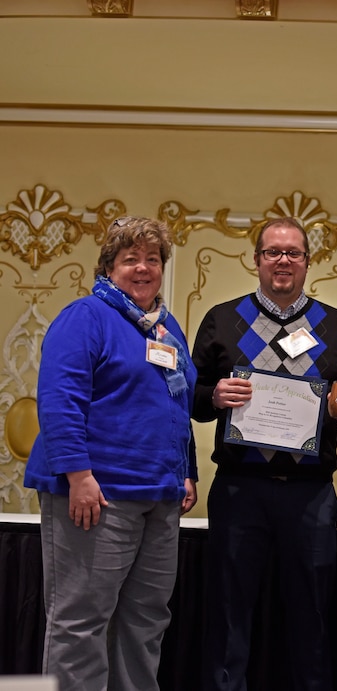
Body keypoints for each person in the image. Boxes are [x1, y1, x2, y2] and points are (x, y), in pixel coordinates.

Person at [192, 217, 337, 691]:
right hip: (238, 491)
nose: (283, 261)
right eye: (273, 252)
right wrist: (214, 397)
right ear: (257, 260)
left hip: (310, 496)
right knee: (229, 614)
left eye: (293, 253)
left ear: (309, 261)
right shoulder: (222, 318)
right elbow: (190, 398)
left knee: (311, 615)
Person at [24, 216, 198, 690]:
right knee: (80, 623)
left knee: (145, 623)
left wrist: (185, 472)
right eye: (130, 260)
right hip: (98, 496)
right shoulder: (86, 316)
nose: (142, 268)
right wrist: (78, 476)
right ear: (108, 267)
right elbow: (60, 400)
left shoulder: (167, 328)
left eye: (152, 259)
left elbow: (177, 404)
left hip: (159, 497)